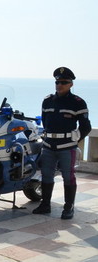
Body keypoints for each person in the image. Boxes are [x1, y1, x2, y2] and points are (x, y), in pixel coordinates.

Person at [33, 67, 91, 219]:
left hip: (67, 147)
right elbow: (45, 121)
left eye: (64, 82)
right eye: (57, 82)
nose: (59, 85)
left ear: (71, 84)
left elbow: (86, 127)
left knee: (68, 177)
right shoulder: (47, 100)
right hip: (48, 146)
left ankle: (68, 207)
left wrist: (74, 139)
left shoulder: (77, 102)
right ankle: (45, 204)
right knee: (46, 175)